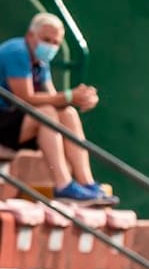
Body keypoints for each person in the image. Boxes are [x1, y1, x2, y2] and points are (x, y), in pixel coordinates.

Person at [0, 13, 115, 204]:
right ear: (30, 36)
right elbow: (25, 98)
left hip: (13, 126)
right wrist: (69, 96)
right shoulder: (17, 52)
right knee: (47, 113)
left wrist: (80, 99)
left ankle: (85, 182)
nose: (51, 46)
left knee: (66, 113)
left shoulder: (40, 61)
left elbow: (53, 98)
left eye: (55, 42)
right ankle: (63, 185)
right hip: (4, 124)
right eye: (46, 40)